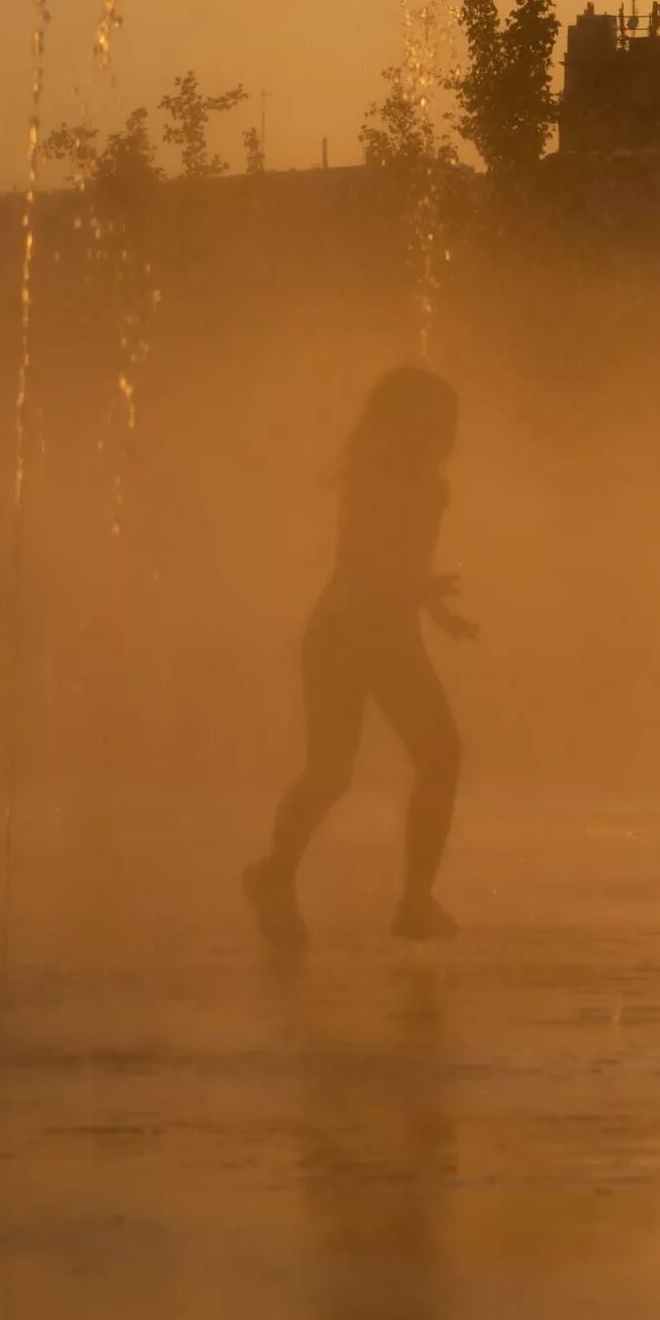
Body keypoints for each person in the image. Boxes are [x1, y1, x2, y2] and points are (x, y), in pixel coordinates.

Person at [245, 366, 473, 946]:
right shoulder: (371, 480)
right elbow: (363, 563)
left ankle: (415, 900)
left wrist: (436, 609)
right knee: (332, 771)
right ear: (405, 424)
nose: (449, 435)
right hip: (346, 633)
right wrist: (421, 593)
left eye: (452, 424)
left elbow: (409, 564)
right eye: (438, 422)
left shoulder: (432, 488)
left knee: (437, 754)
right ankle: (277, 876)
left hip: (390, 635)